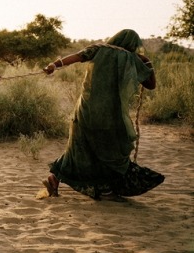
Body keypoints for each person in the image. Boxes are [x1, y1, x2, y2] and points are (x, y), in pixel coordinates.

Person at [42, 29, 164, 202]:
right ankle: (107, 190)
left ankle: (54, 179)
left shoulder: (98, 49)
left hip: (86, 110)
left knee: (79, 146)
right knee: (111, 148)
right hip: (111, 114)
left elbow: (76, 57)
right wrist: (147, 62)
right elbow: (151, 85)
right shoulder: (133, 59)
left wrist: (54, 65)